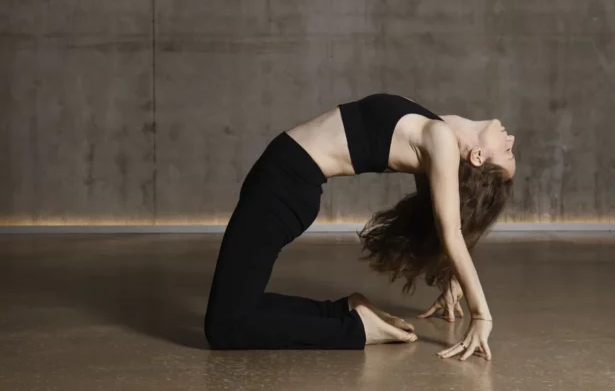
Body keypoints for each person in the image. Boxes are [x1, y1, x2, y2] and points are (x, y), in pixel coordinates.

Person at [203, 93, 515, 360]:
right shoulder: (436, 128)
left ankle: (357, 329)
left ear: (477, 156)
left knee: (224, 327)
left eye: (507, 151)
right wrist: (449, 277)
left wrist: (481, 314)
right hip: (283, 181)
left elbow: (450, 232)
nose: (510, 138)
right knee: (237, 310)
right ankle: (346, 311)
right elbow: (435, 219)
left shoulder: (440, 139)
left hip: (284, 187)